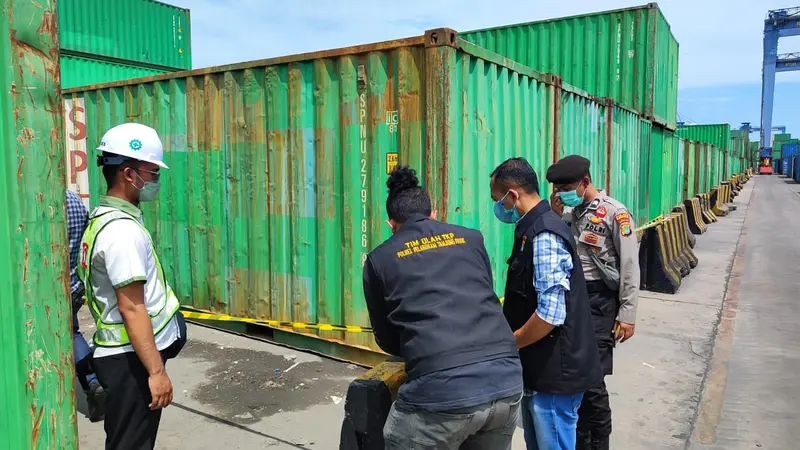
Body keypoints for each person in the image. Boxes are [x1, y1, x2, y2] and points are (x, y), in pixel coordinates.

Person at [363, 166, 523, 450]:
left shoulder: (380, 259)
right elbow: (482, 294)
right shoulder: (472, 239)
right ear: (433, 213)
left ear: (391, 224)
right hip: (506, 381)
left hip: (441, 391)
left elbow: (387, 339)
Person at [78, 122, 187, 450]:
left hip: (127, 360)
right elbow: (132, 306)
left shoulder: (103, 218)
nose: (155, 180)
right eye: (152, 173)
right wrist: (156, 373)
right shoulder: (122, 233)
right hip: (131, 365)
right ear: (129, 174)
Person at [489, 157, 602, 450]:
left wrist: (508, 344)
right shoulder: (532, 229)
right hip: (540, 367)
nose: (498, 208)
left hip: (555, 372)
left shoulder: (544, 234)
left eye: (498, 200)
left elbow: (551, 314)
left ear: (513, 195)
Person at [546, 155, 640, 450]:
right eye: (556, 189)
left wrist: (628, 313)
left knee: (592, 380)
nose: (560, 193)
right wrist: (554, 212)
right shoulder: (568, 213)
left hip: (600, 302)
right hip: (573, 299)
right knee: (576, 376)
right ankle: (582, 440)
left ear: (585, 182)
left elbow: (629, 264)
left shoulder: (614, 213)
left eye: (565, 187)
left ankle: (599, 439)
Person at [67, 189, 107, 422]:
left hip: (43, 290)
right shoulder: (73, 199)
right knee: (71, 334)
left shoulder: (28, 203)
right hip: (74, 284)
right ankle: (93, 381)